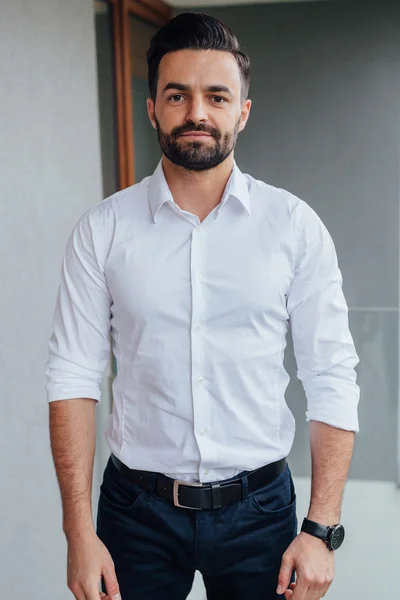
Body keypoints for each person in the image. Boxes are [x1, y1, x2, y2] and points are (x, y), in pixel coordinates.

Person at [45, 12, 360, 600]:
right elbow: (72, 379)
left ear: (241, 110)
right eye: (177, 95)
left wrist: (321, 526)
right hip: (134, 513)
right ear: (152, 108)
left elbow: (331, 375)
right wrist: (78, 533)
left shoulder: (293, 227)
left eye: (216, 96)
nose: (197, 113)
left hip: (260, 512)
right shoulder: (103, 231)